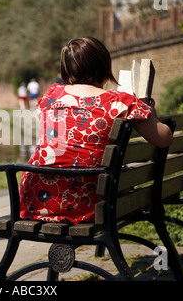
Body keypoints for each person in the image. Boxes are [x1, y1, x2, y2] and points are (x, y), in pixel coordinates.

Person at [18, 36, 172, 225]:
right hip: (92, 204)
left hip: (40, 202)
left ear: (65, 71)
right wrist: (148, 108)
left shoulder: (51, 96)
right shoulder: (121, 101)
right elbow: (164, 138)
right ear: (105, 68)